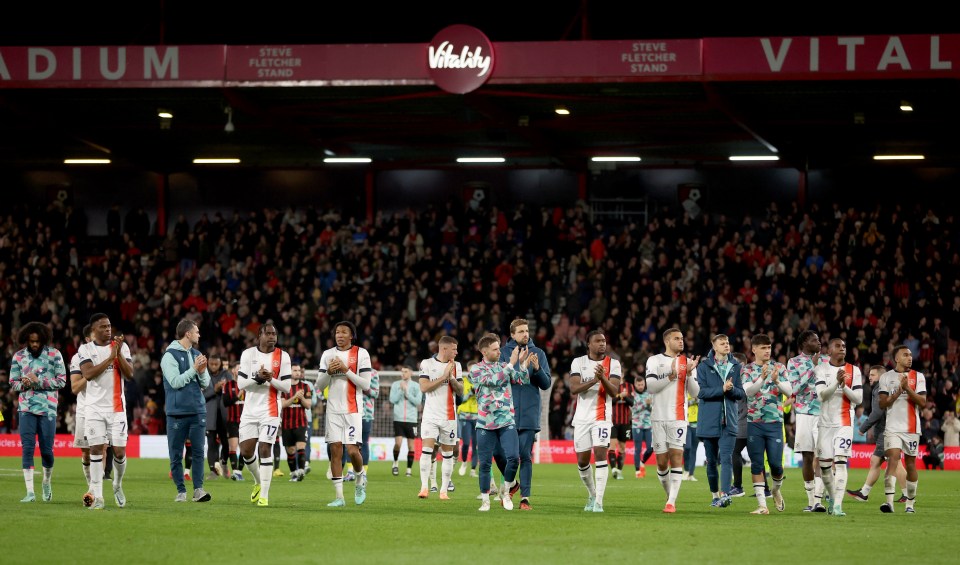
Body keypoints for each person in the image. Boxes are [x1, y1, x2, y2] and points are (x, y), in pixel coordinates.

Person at [469, 333, 532, 512]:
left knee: (513, 458)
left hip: (506, 420)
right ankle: (485, 501)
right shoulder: (476, 370)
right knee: (486, 463)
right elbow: (494, 381)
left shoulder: (504, 365)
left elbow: (522, 380)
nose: (499, 352)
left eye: (499, 348)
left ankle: (506, 492)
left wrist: (523, 364)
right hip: (485, 422)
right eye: (495, 349)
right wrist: (512, 364)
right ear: (484, 351)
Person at [78, 313, 134, 510]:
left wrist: (117, 353)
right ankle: (99, 496)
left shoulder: (122, 347)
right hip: (93, 408)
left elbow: (129, 374)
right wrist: (110, 358)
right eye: (103, 327)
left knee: (119, 451)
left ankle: (117, 485)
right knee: (95, 449)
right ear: (94, 330)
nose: (108, 329)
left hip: (117, 409)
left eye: (109, 326)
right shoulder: (85, 349)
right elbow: (88, 374)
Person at [315, 321, 372, 507]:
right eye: (337, 332)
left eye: (344, 332)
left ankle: (359, 480)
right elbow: (319, 385)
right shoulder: (327, 354)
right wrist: (329, 372)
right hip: (333, 410)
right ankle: (339, 497)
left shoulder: (361, 354)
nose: (339, 335)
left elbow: (365, 385)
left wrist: (346, 370)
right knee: (335, 451)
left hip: (353, 409)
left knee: (352, 451)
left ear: (351, 336)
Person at [498, 318, 552, 510]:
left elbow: (546, 384)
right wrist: (515, 364)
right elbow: (500, 379)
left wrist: (537, 369)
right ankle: (511, 485)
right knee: (502, 455)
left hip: (529, 411)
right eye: (521, 331)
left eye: (527, 331)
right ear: (512, 334)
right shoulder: (503, 353)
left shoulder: (538, 353)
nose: (525, 334)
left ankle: (525, 498)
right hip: (505, 412)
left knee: (524, 455)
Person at [645, 327, 701, 513]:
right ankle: (670, 496)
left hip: (678, 417)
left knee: (676, 456)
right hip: (658, 417)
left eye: (682, 338)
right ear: (667, 341)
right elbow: (651, 386)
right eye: (677, 338)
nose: (681, 341)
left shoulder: (687, 362)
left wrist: (691, 374)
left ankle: (671, 502)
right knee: (661, 462)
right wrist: (671, 376)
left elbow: (696, 393)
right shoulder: (654, 360)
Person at [10, 322, 66, 503]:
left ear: (43, 340)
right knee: (27, 448)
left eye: (37, 341)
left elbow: (62, 381)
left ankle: (46, 481)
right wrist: (24, 384)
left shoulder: (54, 355)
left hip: (48, 408)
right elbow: (13, 383)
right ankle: (30, 492)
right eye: (31, 341)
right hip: (26, 408)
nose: (34, 344)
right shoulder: (18, 357)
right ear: (26, 340)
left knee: (47, 451)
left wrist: (38, 381)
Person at [238, 323, 292, 507]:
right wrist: (257, 378)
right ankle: (259, 482)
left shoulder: (283, 357)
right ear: (259, 336)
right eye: (268, 333)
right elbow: (240, 384)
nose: (272, 337)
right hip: (250, 410)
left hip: (271, 410)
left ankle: (265, 496)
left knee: (264, 448)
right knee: (245, 451)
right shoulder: (248, 354)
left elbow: (286, 387)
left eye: (274, 334)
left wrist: (270, 378)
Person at [161, 319, 212, 503]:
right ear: (188, 334)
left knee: (198, 452)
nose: (199, 334)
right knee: (176, 454)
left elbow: (206, 384)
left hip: (198, 411)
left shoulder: (197, 353)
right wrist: (194, 369)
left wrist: (203, 370)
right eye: (197, 332)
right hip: (177, 412)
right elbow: (175, 382)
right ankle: (181, 491)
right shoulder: (169, 356)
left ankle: (198, 489)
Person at [570, 330, 622, 513]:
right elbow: (574, 388)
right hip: (582, 419)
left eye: (604, 341)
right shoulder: (579, 362)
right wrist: (594, 380)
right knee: (582, 461)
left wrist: (603, 379)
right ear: (589, 344)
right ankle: (592, 494)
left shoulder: (613, 364)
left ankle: (599, 501)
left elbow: (614, 392)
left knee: (601, 455)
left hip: (602, 417)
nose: (602, 344)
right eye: (598, 341)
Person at [741, 333, 792, 515]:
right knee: (756, 464)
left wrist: (777, 380)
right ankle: (762, 505)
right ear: (754, 349)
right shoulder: (747, 369)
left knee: (776, 465)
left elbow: (789, 390)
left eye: (768, 347)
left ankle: (776, 490)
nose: (767, 351)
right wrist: (762, 379)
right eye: (763, 348)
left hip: (774, 423)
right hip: (754, 422)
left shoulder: (779, 367)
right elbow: (749, 392)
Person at [814, 338, 863, 517]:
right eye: (838, 346)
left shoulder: (854, 370)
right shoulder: (821, 369)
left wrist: (844, 387)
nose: (842, 348)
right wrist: (836, 383)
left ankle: (838, 506)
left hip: (844, 422)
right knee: (825, 468)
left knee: (841, 462)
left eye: (844, 345)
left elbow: (858, 399)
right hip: (825, 424)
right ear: (829, 350)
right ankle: (833, 498)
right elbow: (821, 396)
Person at [696, 333, 745, 508]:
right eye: (722, 343)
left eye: (728, 342)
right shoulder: (703, 367)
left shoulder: (736, 366)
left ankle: (724, 494)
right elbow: (700, 393)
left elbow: (741, 393)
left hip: (728, 421)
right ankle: (714, 495)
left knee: (726, 459)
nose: (726, 345)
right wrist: (722, 389)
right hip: (708, 420)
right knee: (711, 461)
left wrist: (731, 390)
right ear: (714, 346)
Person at [847, 365, 908, 503]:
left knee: (895, 463)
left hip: (887, 431)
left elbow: (878, 412)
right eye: (869, 375)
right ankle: (864, 492)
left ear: (881, 376)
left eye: (873, 375)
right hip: (891, 429)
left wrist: (863, 428)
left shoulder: (880, 388)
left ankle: (908, 495)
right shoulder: (888, 386)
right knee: (876, 461)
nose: (870, 377)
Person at [878, 344, 927, 513]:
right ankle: (889, 503)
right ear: (896, 358)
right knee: (893, 458)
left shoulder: (918, 377)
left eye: (911, 355)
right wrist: (896, 394)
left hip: (912, 428)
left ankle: (910, 504)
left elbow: (922, 402)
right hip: (892, 427)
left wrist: (906, 389)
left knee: (911, 464)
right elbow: (882, 403)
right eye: (905, 355)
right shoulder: (885, 377)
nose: (910, 357)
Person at [417, 335, 464, 499]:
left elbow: (460, 391)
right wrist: (443, 377)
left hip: (449, 417)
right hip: (430, 415)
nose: (456, 352)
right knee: (426, 451)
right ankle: (424, 487)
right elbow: (424, 387)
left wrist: (450, 378)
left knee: (447, 454)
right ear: (444, 348)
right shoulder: (427, 364)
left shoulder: (456, 366)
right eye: (454, 349)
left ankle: (443, 491)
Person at [785, 330, 827, 511]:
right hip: (804, 414)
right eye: (814, 340)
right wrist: (812, 368)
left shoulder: (826, 361)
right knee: (808, 457)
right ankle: (811, 501)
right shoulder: (793, 362)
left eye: (818, 339)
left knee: (824, 457)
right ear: (804, 343)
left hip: (824, 414)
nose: (819, 342)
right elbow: (794, 388)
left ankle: (819, 499)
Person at [70, 325, 94, 492]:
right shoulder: (77, 358)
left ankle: (94, 489)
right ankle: (90, 483)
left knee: (100, 450)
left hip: (104, 409)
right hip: (85, 409)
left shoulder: (109, 355)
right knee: (86, 453)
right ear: (87, 339)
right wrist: (91, 374)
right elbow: (75, 388)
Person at [281, 363, 313, 481]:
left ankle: (300, 471)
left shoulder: (305, 387)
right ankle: (294, 473)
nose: (298, 373)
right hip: (286, 424)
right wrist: (294, 396)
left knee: (301, 447)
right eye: (295, 370)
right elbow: (283, 405)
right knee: (290, 451)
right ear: (289, 372)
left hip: (301, 423)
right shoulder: (284, 387)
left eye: (299, 370)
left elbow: (308, 405)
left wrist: (302, 398)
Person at [389, 367, 422, 477]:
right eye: (402, 371)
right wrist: (401, 390)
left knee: (411, 446)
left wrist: (407, 392)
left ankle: (409, 470)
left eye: (406, 371)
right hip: (398, 419)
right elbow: (392, 400)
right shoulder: (395, 385)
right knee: (398, 444)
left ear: (411, 372)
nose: (403, 373)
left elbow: (417, 401)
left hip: (411, 420)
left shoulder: (416, 386)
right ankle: (395, 463)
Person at [203, 354, 230, 479]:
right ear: (208, 363)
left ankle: (223, 463)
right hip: (210, 415)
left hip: (225, 415)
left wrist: (225, 389)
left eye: (216, 364)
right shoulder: (203, 374)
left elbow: (233, 391)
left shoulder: (227, 374)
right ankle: (213, 471)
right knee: (211, 443)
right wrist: (215, 389)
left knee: (226, 443)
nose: (213, 367)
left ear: (220, 364)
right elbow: (201, 395)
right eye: (211, 364)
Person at [729, 351, 750, 497]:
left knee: (734, 452)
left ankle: (737, 486)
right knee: (756, 457)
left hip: (744, 422)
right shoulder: (750, 376)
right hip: (750, 422)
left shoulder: (743, 378)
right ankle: (766, 489)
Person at [221, 362, 246, 480]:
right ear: (233, 371)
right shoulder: (228, 385)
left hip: (246, 421)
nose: (240, 370)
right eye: (238, 368)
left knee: (245, 448)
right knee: (233, 447)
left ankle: (239, 472)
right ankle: (235, 472)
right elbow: (226, 403)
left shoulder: (248, 386)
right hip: (232, 421)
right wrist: (238, 396)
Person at [457, 369, 479, 478]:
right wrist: (470, 393)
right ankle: (464, 462)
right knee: (466, 443)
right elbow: (461, 399)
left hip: (477, 417)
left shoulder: (481, 382)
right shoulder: (463, 383)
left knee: (476, 445)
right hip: (465, 416)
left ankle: (473, 470)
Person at [631, 374, 653, 478]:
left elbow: (652, 409)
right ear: (635, 384)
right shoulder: (633, 395)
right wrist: (645, 404)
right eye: (639, 384)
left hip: (648, 424)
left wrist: (649, 405)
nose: (641, 386)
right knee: (637, 449)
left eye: (642, 384)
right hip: (637, 425)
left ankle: (642, 461)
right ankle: (637, 471)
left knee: (651, 447)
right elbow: (634, 408)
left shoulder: (649, 393)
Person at [359, 368, 380, 475]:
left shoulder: (373, 373)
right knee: (349, 442)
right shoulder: (352, 370)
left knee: (364, 442)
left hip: (366, 413)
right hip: (351, 412)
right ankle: (350, 471)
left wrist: (364, 388)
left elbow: (376, 393)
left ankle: (364, 472)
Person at [683, 392, 699, 482]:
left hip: (697, 423)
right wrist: (694, 400)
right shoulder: (684, 392)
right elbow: (684, 404)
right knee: (687, 447)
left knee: (693, 449)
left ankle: (691, 474)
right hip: (686, 423)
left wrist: (698, 400)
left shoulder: (698, 391)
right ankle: (686, 470)